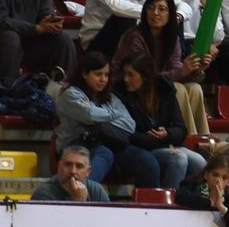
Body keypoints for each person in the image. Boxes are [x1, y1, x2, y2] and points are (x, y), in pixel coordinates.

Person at [114, 0, 211, 137]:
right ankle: (188, 137)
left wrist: (197, 70)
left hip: (158, 85)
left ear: (170, 14)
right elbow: (144, 76)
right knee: (177, 88)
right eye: (151, 8)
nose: (155, 13)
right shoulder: (135, 37)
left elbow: (176, 70)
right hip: (129, 87)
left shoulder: (172, 38)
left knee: (194, 88)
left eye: (162, 9)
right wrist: (182, 71)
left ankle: (204, 137)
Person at [55, 51, 161, 187]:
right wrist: (113, 113)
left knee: (147, 160)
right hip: (75, 144)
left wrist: (99, 112)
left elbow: (130, 125)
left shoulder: (110, 97)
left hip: (105, 141)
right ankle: (82, 195)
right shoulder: (71, 94)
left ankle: (149, 207)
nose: (103, 79)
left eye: (106, 75)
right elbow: (89, 115)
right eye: (98, 74)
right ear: (84, 74)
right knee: (105, 153)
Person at [115, 55, 205, 189]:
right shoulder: (121, 96)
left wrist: (167, 133)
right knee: (179, 159)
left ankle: (189, 198)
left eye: (131, 75)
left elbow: (181, 128)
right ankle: (167, 204)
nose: (126, 79)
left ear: (144, 76)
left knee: (201, 163)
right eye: (124, 74)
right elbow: (128, 134)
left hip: (166, 144)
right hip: (142, 148)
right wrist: (161, 140)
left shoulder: (164, 90)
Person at [176, 150, 229, 227]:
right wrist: (210, 202)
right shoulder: (193, 185)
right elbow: (179, 196)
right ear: (206, 175)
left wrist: (222, 208)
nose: (218, 180)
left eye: (224, 177)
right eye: (215, 175)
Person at [31, 145, 112, 200]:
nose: (73, 171)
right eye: (68, 165)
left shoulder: (96, 191)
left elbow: (106, 223)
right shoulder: (43, 193)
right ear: (59, 167)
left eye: (79, 166)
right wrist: (79, 202)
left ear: (88, 171)